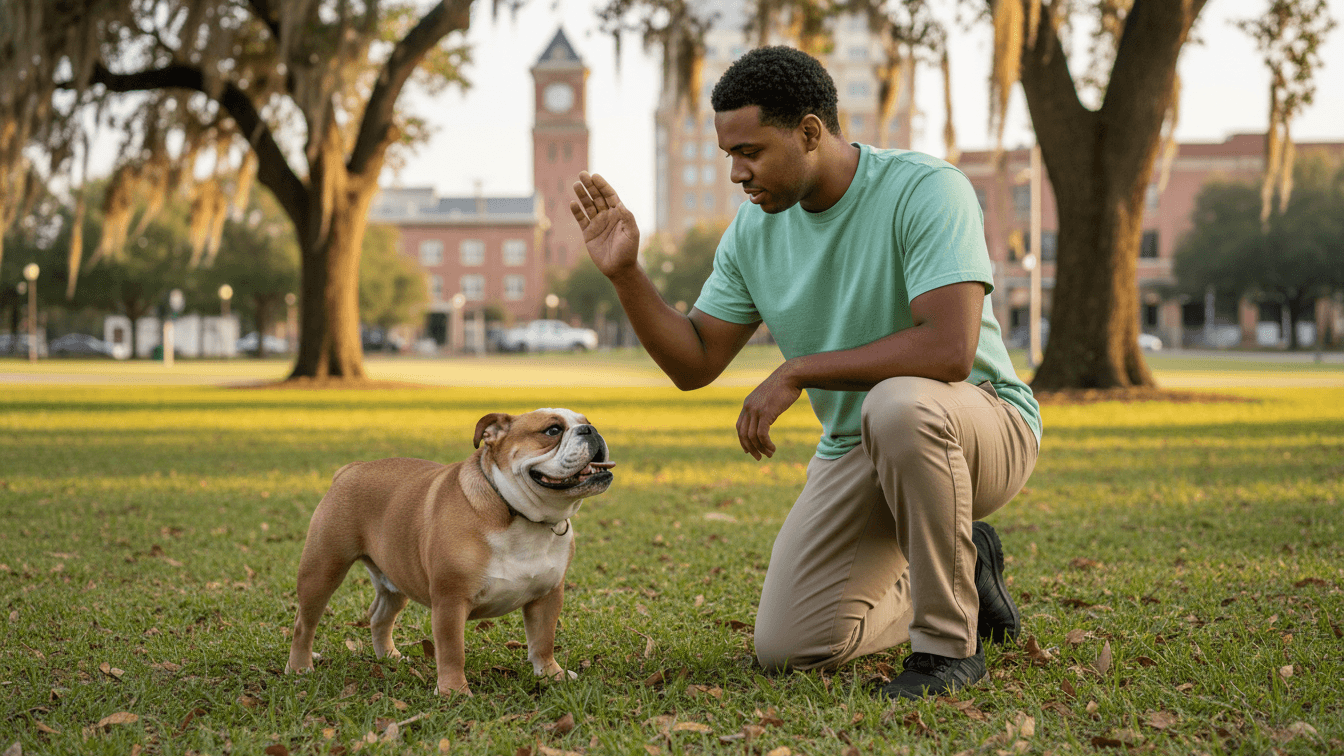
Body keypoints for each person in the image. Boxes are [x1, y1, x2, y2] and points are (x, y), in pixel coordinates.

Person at [569, 45, 1040, 700]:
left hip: (979, 424)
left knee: (899, 404)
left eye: (751, 152)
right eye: (729, 154)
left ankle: (946, 651)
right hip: (860, 450)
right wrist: (627, 275)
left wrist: (798, 372)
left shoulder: (926, 189)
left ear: (810, 132)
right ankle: (963, 567)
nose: (736, 171)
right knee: (791, 647)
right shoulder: (752, 234)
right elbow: (696, 359)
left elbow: (949, 349)